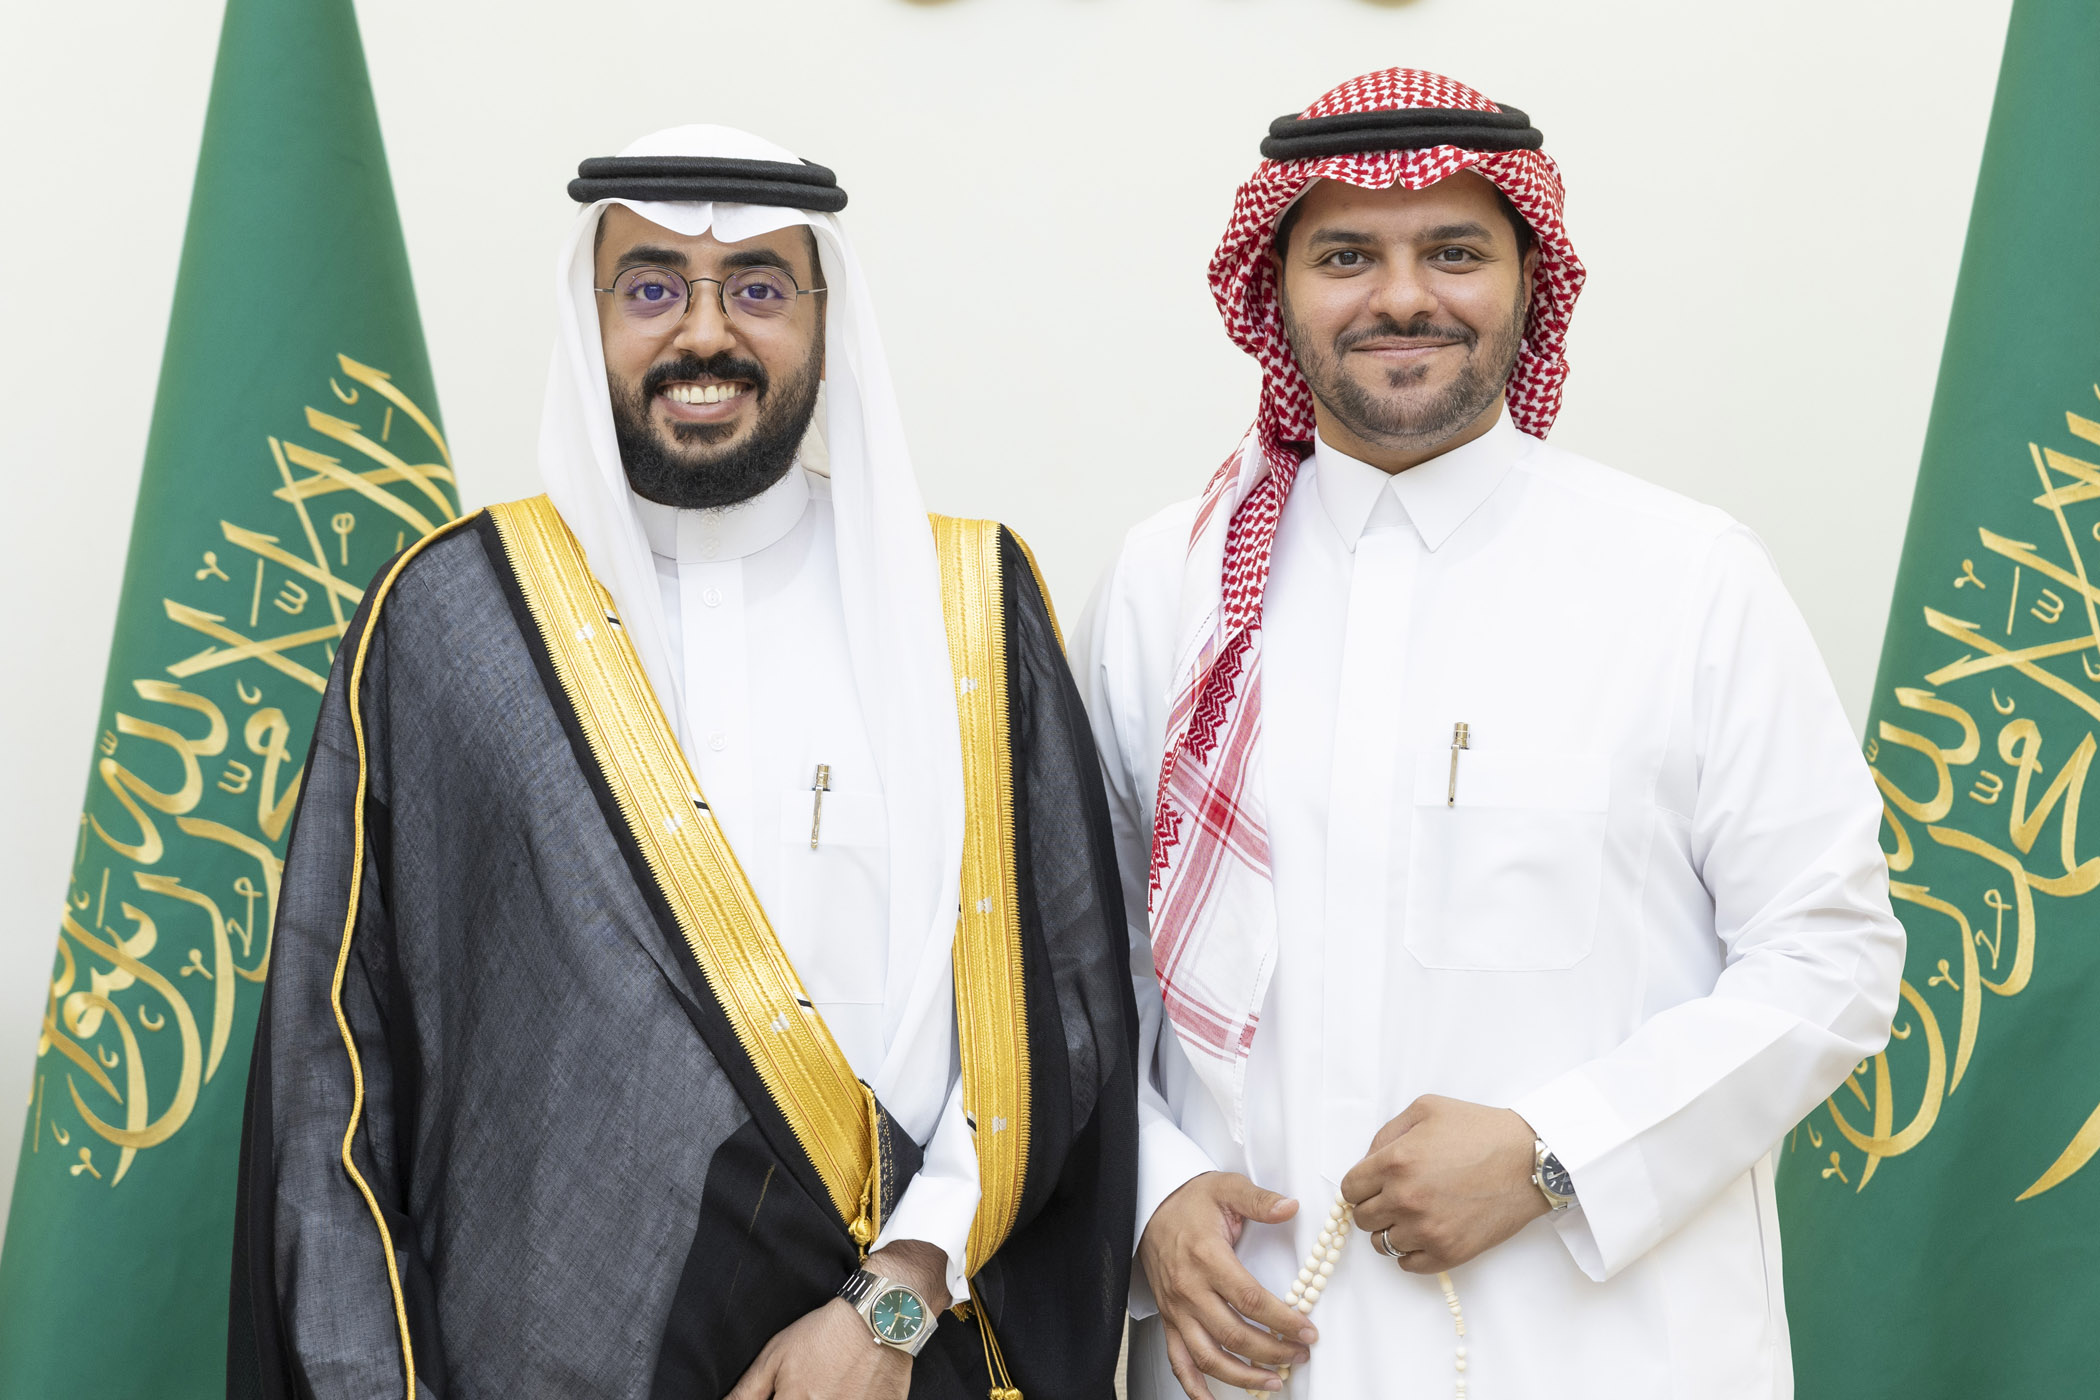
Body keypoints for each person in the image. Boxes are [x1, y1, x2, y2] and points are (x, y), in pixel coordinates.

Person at [228, 125, 1137, 1400]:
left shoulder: (966, 604)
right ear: (589, 315)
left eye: (757, 286)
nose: (705, 333)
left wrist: (893, 1303)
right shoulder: (448, 620)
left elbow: (1068, 1011)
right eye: (652, 287)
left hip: (902, 1358)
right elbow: (334, 1067)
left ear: (825, 318)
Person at [1075, 69, 1905, 1399]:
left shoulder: (1686, 576)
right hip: (1248, 1351)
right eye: (1347, 256)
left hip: (1599, 1355)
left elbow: (1831, 954)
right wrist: (1156, 1195)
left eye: (1455, 253)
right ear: (1277, 290)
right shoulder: (1167, 582)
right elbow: (1085, 962)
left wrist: (1554, 1150)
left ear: (1530, 281)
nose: (1403, 297)